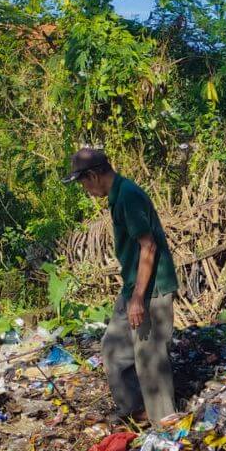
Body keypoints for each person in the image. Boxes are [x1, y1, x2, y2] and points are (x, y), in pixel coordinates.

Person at [64, 148, 179, 425]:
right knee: (113, 349)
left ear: (92, 175)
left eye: (83, 184)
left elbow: (148, 246)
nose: (86, 190)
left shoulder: (128, 196)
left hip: (152, 289)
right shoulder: (117, 197)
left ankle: (165, 424)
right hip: (133, 287)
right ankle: (135, 410)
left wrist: (139, 298)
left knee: (148, 357)